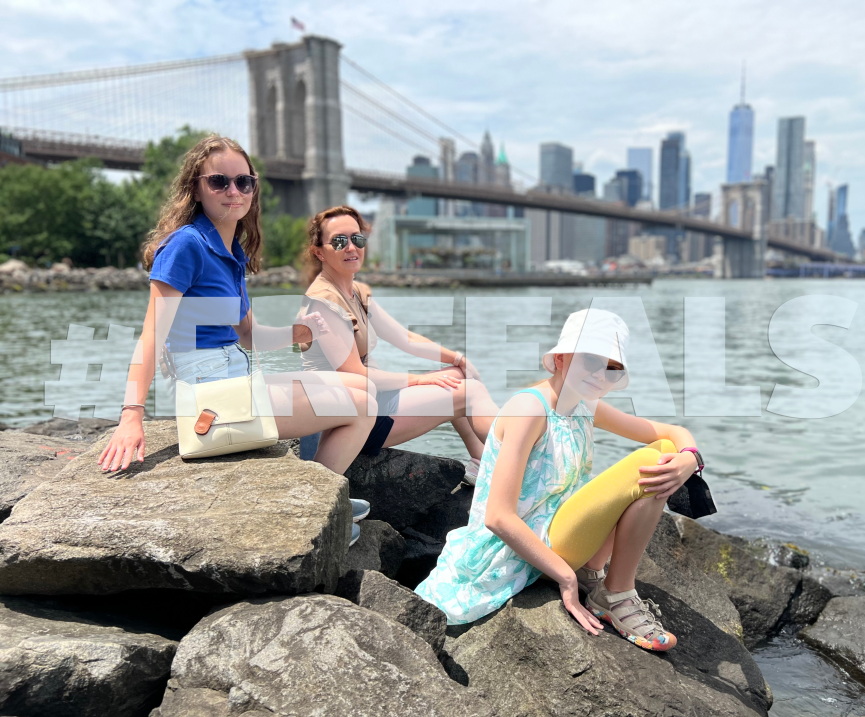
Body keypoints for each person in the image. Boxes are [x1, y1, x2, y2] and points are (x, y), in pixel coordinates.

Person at [97, 136, 378, 529]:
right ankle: (319, 515)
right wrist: (131, 416)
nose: (234, 191)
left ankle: (322, 497)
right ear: (195, 187)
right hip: (210, 399)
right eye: (219, 182)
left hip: (234, 379)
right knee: (362, 403)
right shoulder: (186, 246)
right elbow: (150, 337)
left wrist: (296, 333)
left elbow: (247, 336)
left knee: (360, 388)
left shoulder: (232, 254)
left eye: (244, 182)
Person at [415, 309, 703, 652]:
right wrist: (565, 579)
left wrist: (690, 458)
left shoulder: (584, 404)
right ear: (563, 357)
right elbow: (497, 516)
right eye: (592, 360)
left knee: (666, 450)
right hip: (522, 548)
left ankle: (596, 575)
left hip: (562, 535)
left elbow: (669, 433)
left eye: (612, 369)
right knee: (650, 462)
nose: (600, 375)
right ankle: (616, 595)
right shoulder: (529, 409)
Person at [295, 205, 498, 475]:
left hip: (372, 399)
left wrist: (457, 358)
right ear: (319, 251)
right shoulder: (323, 302)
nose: (351, 247)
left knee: (458, 376)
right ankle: (520, 461)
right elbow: (354, 374)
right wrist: (418, 379)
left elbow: (404, 338)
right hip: (349, 419)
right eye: (339, 241)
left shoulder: (355, 290)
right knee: (471, 393)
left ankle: (482, 460)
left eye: (357, 238)